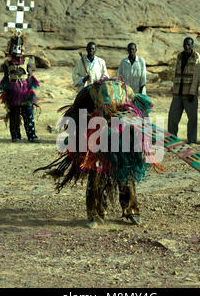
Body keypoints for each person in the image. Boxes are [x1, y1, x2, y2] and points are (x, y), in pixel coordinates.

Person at [35, 78, 161, 228]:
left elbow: (139, 114)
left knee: (125, 174)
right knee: (96, 175)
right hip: (97, 137)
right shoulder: (87, 96)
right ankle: (95, 215)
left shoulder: (126, 93)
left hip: (121, 134)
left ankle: (132, 211)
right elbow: (76, 117)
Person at [0, 33, 40, 143]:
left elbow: (30, 78)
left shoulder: (27, 62)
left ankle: (32, 135)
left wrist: (31, 94)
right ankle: (15, 135)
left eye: (19, 46)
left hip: (25, 92)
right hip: (13, 93)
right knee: (14, 114)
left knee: (28, 113)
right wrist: (6, 93)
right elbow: (5, 79)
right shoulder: (7, 63)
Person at [168, 37, 200, 144]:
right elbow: (176, 72)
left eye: (189, 44)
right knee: (172, 117)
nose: (186, 46)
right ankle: (172, 139)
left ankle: (192, 140)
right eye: (185, 44)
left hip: (189, 93)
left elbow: (197, 76)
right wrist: (174, 88)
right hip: (178, 92)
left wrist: (192, 92)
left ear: (192, 45)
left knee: (192, 118)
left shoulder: (196, 56)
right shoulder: (179, 56)